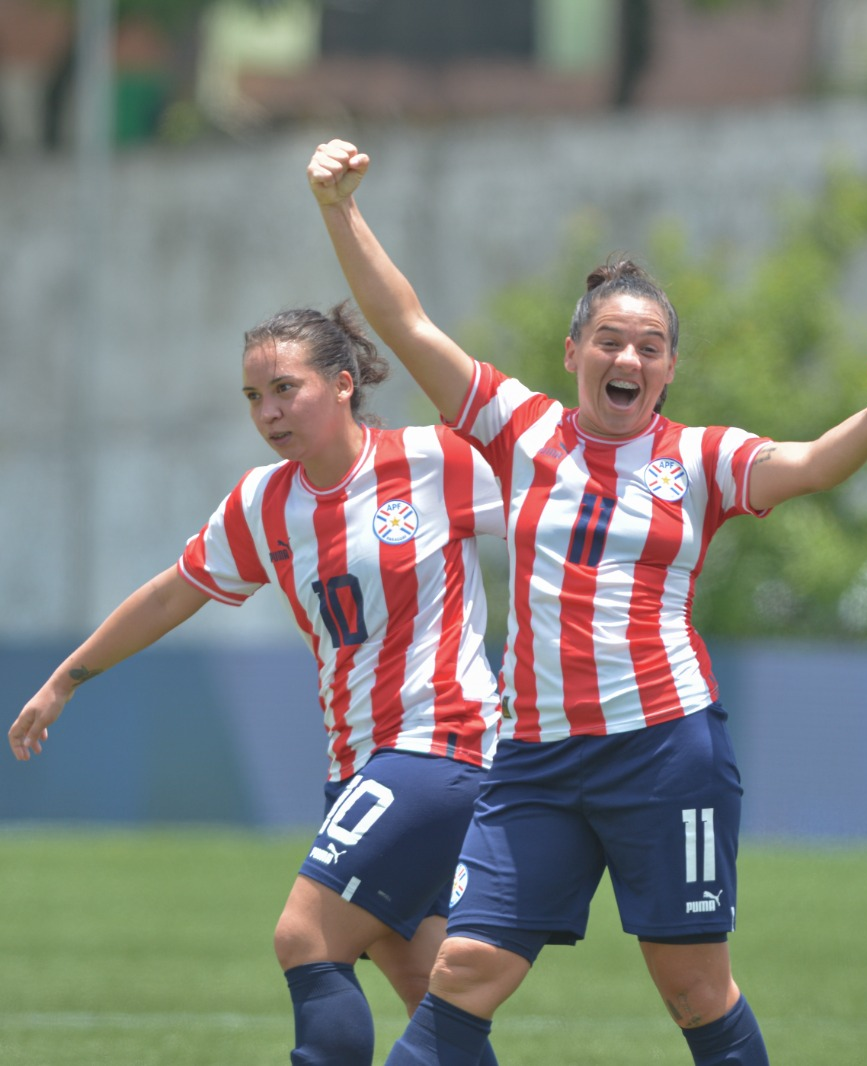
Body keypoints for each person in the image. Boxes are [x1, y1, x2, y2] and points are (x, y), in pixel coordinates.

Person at [307, 137, 867, 1066]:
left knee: (694, 990)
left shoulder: (699, 459)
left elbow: (806, 467)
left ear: (669, 368)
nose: (628, 356)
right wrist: (339, 208)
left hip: (666, 751)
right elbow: (408, 325)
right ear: (574, 352)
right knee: (462, 971)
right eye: (610, 340)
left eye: (650, 345)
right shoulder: (521, 429)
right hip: (536, 759)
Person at [8, 304, 506, 1066]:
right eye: (252, 397)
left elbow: (558, 512)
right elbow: (175, 591)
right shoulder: (264, 502)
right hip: (359, 769)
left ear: (343, 385)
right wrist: (67, 678)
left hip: (440, 744)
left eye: (284, 388)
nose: (267, 412)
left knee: (304, 936)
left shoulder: (435, 461)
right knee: (426, 988)